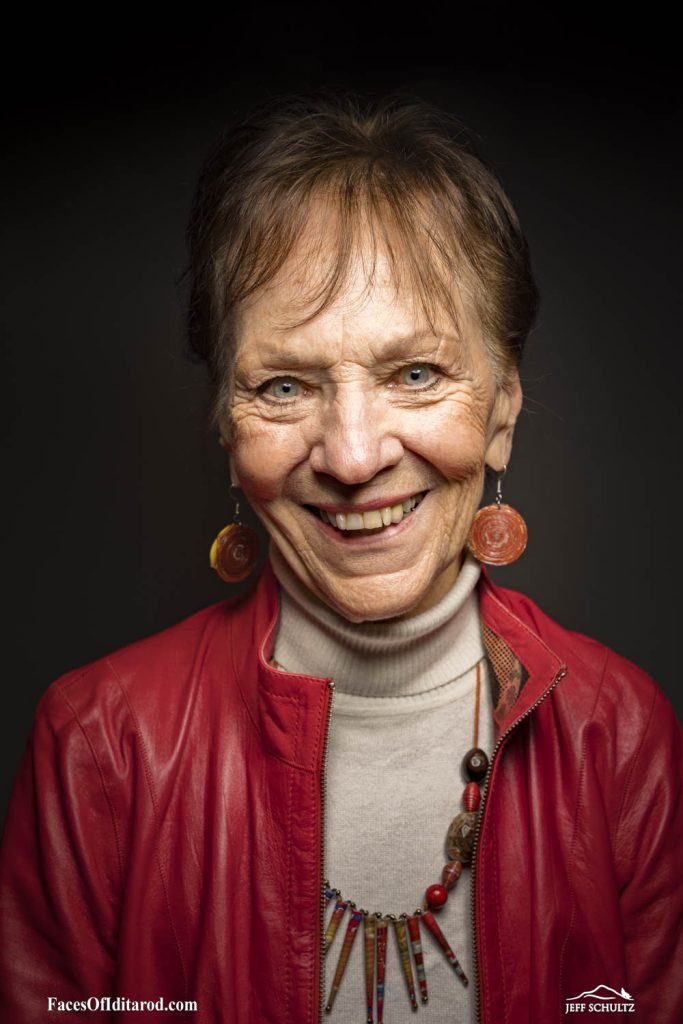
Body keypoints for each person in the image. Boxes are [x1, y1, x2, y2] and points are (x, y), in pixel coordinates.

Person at [0, 89, 681, 1024]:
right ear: (225, 428)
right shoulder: (98, 743)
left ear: (502, 412)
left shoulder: (622, 732)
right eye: (284, 385)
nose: (353, 458)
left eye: (416, 373)